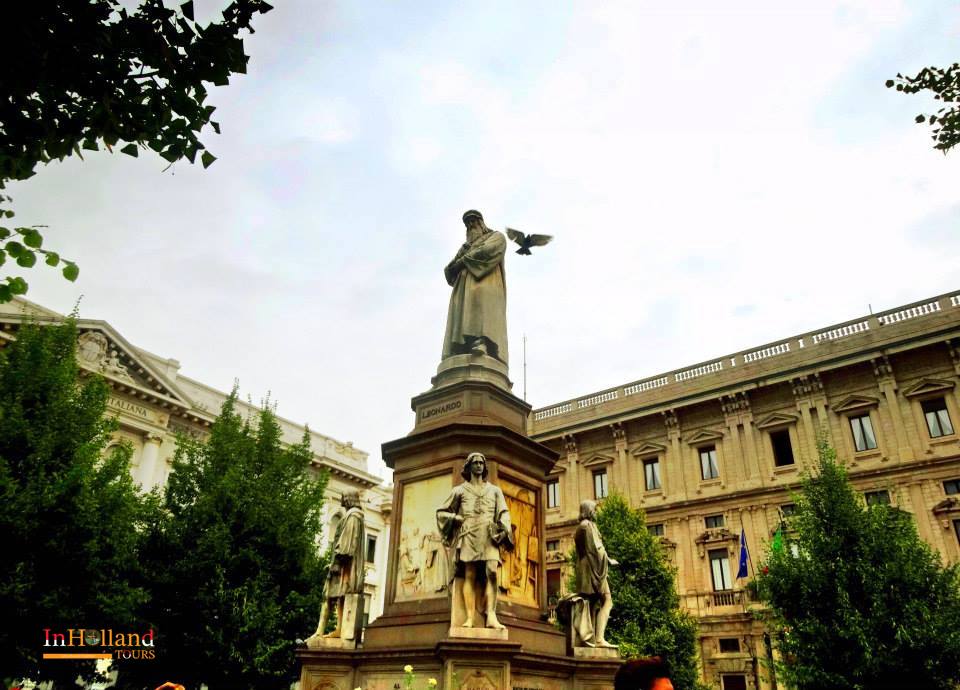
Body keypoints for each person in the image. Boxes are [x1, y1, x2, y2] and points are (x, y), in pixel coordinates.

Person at [436, 452, 514, 629]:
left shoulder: (495, 491)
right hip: (469, 533)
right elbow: (441, 512)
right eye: (475, 462)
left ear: (484, 467)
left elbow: (503, 512)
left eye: (481, 463)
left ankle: (491, 614)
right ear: (469, 466)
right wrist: (455, 518)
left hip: (489, 534)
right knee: (469, 574)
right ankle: (470, 617)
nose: (478, 465)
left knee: (492, 570)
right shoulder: (459, 491)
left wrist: (504, 528)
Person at [441, 210, 509, 365]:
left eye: (473, 221)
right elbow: (449, 270)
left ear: (481, 222)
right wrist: (460, 260)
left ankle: (483, 342)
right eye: (467, 223)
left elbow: (487, 251)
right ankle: (460, 346)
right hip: (462, 288)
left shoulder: (496, 236)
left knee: (482, 310)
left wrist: (463, 260)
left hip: (486, 283)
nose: (470, 225)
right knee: (462, 313)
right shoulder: (465, 247)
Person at [307, 491, 365, 641]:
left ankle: (321, 631)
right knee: (338, 597)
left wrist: (337, 562)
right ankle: (334, 628)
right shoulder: (353, 516)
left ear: (349, 499)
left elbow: (348, 543)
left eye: (344, 499)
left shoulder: (353, 516)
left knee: (329, 596)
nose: (342, 502)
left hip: (344, 565)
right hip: (342, 564)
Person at [574, 499, 617, 647]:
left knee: (591, 604)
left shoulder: (584, 526)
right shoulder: (587, 526)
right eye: (595, 510)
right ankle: (599, 639)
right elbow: (594, 550)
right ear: (589, 511)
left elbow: (594, 549)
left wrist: (607, 560)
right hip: (592, 569)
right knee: (607, 601)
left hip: (587, 568)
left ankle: (590, 639)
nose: (596, 513)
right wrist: (607, 563)